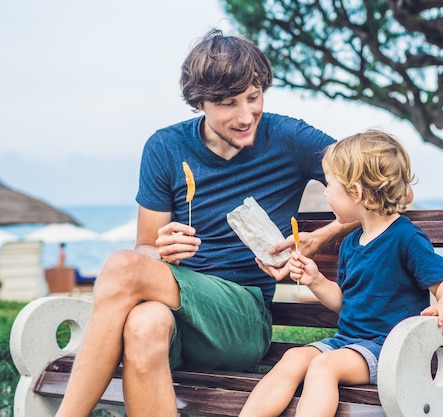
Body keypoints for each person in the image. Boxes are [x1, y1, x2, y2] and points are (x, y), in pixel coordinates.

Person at [54, 29, 352, 417]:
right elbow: (145, 247)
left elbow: (385, 186)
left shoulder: (290, 138)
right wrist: (159, 249)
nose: (246, 116)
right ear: (199, 102)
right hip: (180, 318)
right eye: (229, 103)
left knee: (122, 266)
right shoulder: (164, 148)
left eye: (254, 97)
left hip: (243, 319)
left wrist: (323, 234)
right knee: (144, 323)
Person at [239, 130, 443, 417]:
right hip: (348, 342)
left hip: (389, 349)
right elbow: (343, 302)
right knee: (294, 358)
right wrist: (316, 279)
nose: (325, 192)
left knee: (324, 366)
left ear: (356, 193)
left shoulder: (406, 239)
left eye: (330, 185)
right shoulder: (351, 242)